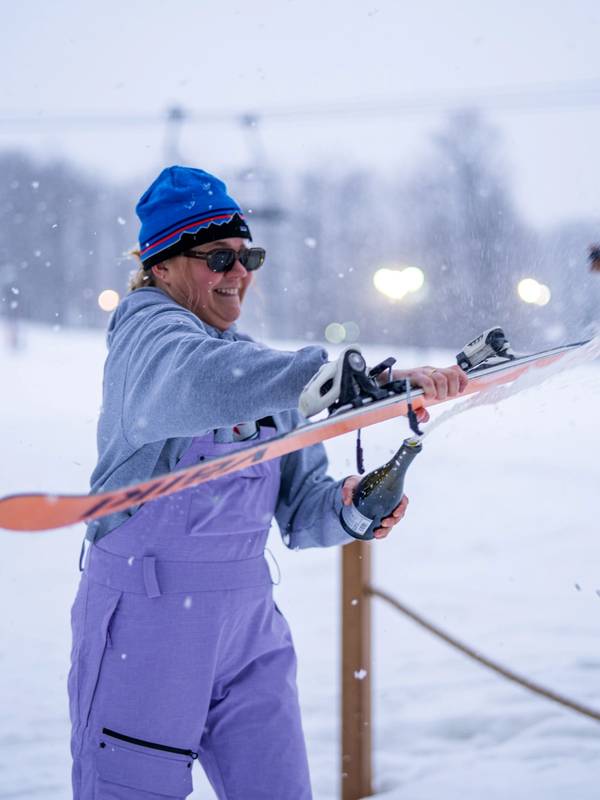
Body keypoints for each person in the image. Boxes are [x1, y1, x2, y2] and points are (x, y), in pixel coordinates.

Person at [68, 165, 467, 799]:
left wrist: (350, 508)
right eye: (218, 257)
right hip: (148, 625)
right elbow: (196, 375)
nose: (239, 273)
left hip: (248, 622)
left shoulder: (258, 366)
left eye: (248, 254)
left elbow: (304, 511)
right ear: (161, 267)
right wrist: (324, 376)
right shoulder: (147, 335)